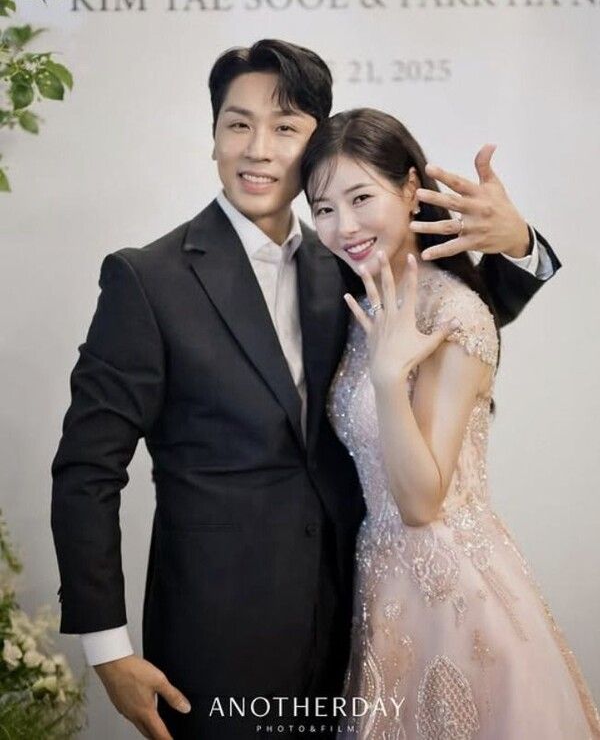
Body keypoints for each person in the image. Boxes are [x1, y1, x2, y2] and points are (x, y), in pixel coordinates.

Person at [51, 40, 560, 740]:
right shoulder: (147, 279)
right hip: (217, 639)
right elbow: (87, 469)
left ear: (315, 143)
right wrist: (108, 648)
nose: (258, 148)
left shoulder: (346, 257)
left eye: (285, 127)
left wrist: (521, 241)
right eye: (237, 124)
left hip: (356, 624)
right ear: (214, 137)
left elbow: (454, 314)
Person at [301, 107, 600, 739]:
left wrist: (389, 379)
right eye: (323, 208)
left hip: (454, 594)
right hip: (381, 583)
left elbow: (420, 503)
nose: (344, 225)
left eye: (361, 198)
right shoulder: (353, 292)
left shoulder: (455, 311)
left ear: (411, 187)